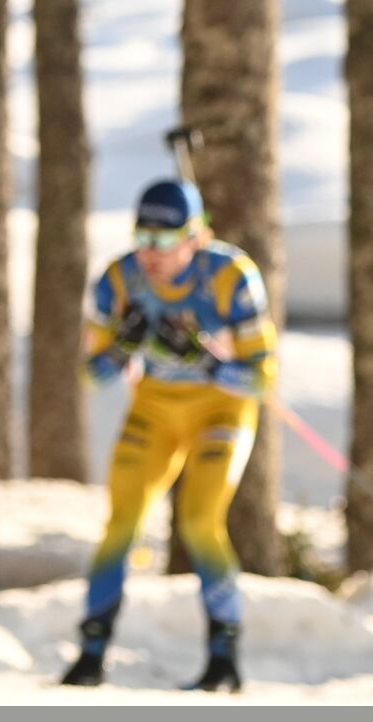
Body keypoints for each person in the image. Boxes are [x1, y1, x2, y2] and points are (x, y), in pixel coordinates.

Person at [60, 179, 278, 692]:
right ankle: (91, 654)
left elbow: (263, 376)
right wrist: (122, 347)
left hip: (220, 412)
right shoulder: (119, 279)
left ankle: (223, 658)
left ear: (195, 236)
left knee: (201, 523)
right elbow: (92, 377)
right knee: (123, 523)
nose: (151, 253)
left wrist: (204, 357)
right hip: (155, 409)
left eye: (165, 240)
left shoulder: (230, 276)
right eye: (143, 237)